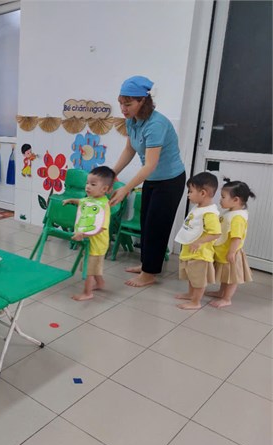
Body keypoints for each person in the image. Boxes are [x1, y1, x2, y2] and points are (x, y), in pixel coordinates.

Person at [109, 76, 186, 287]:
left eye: (128, 104)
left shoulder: (156, 124)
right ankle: (146, 264)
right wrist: (111, 173)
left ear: (143, 101)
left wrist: (125, 188)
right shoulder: (131, 121)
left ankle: (149, 273)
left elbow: (150, 164)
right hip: (151, 179)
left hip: (169, 181)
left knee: (157, 226)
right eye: (121, 103)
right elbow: (129, 149)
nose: (123, 109)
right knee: (146, 224)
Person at [62, 166, 115, 300]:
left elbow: (101, 227)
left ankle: (87, 293)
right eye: (87, 183)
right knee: (93, 266)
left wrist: (83, 235)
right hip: (89, 241)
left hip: (97, 244)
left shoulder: (104, 206)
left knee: (89, 269)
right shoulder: (91, 199)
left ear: (104, 189)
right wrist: (71, 200)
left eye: (93, 184)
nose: (88, 187)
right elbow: (82, 202)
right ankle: (100, 283)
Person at [174, 172, 221, 310]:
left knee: (199, 280)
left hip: (200, 254)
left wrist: (199, 242)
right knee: (192, 276)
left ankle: (196, 302)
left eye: (190, 191)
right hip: (192, 251)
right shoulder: (199, 207)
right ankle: (191, 294)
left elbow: (216, 233)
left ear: (203, 193)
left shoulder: (209, 213)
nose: (188, 194)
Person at [206, 178, 255, 308]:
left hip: (231, 253)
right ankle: (221, 292)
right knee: (225, 276)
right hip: (224, 251)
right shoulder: (230, 213)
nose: (220, 200)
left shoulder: (237, 217)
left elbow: (236, 237)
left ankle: (227, 299)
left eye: (223, 197)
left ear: (236, 200)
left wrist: (232, 252)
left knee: (231, 278)